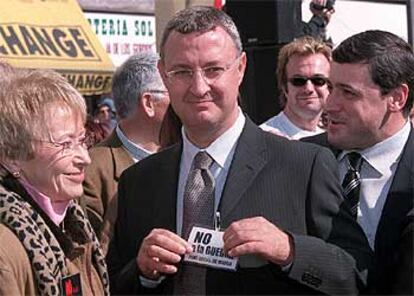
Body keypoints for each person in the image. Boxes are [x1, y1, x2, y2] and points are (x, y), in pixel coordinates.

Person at [107, 6, 372, 295]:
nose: (198, 87)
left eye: (213, 70)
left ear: (241, 68)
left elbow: (355, 274)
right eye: (182, 71)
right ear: (163, 74)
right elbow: (114, 282)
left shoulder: (304, 166)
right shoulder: (139, 181)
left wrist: (290, 249)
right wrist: (143, 272)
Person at [303, 30, 414, 294]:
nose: (329, 105)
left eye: (348, 93)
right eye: (331, 88)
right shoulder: (299, 158)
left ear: (397, 98)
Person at [0, 69, 109, 295]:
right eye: (65, 144)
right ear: (12, 157)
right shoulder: (6, 250)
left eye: (82, 140)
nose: (85, 158)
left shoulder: (75, 226)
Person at [82, 51, 170, 255]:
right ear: (148, 103)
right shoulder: (92, 170)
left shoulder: (189, 154)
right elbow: (93, 260)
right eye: (172, 90)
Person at [260, 36, 331, 139]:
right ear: (284, 87)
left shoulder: (338, 139)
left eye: (318, 80)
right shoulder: (264, 139)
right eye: (299, 81)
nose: (309, 89)